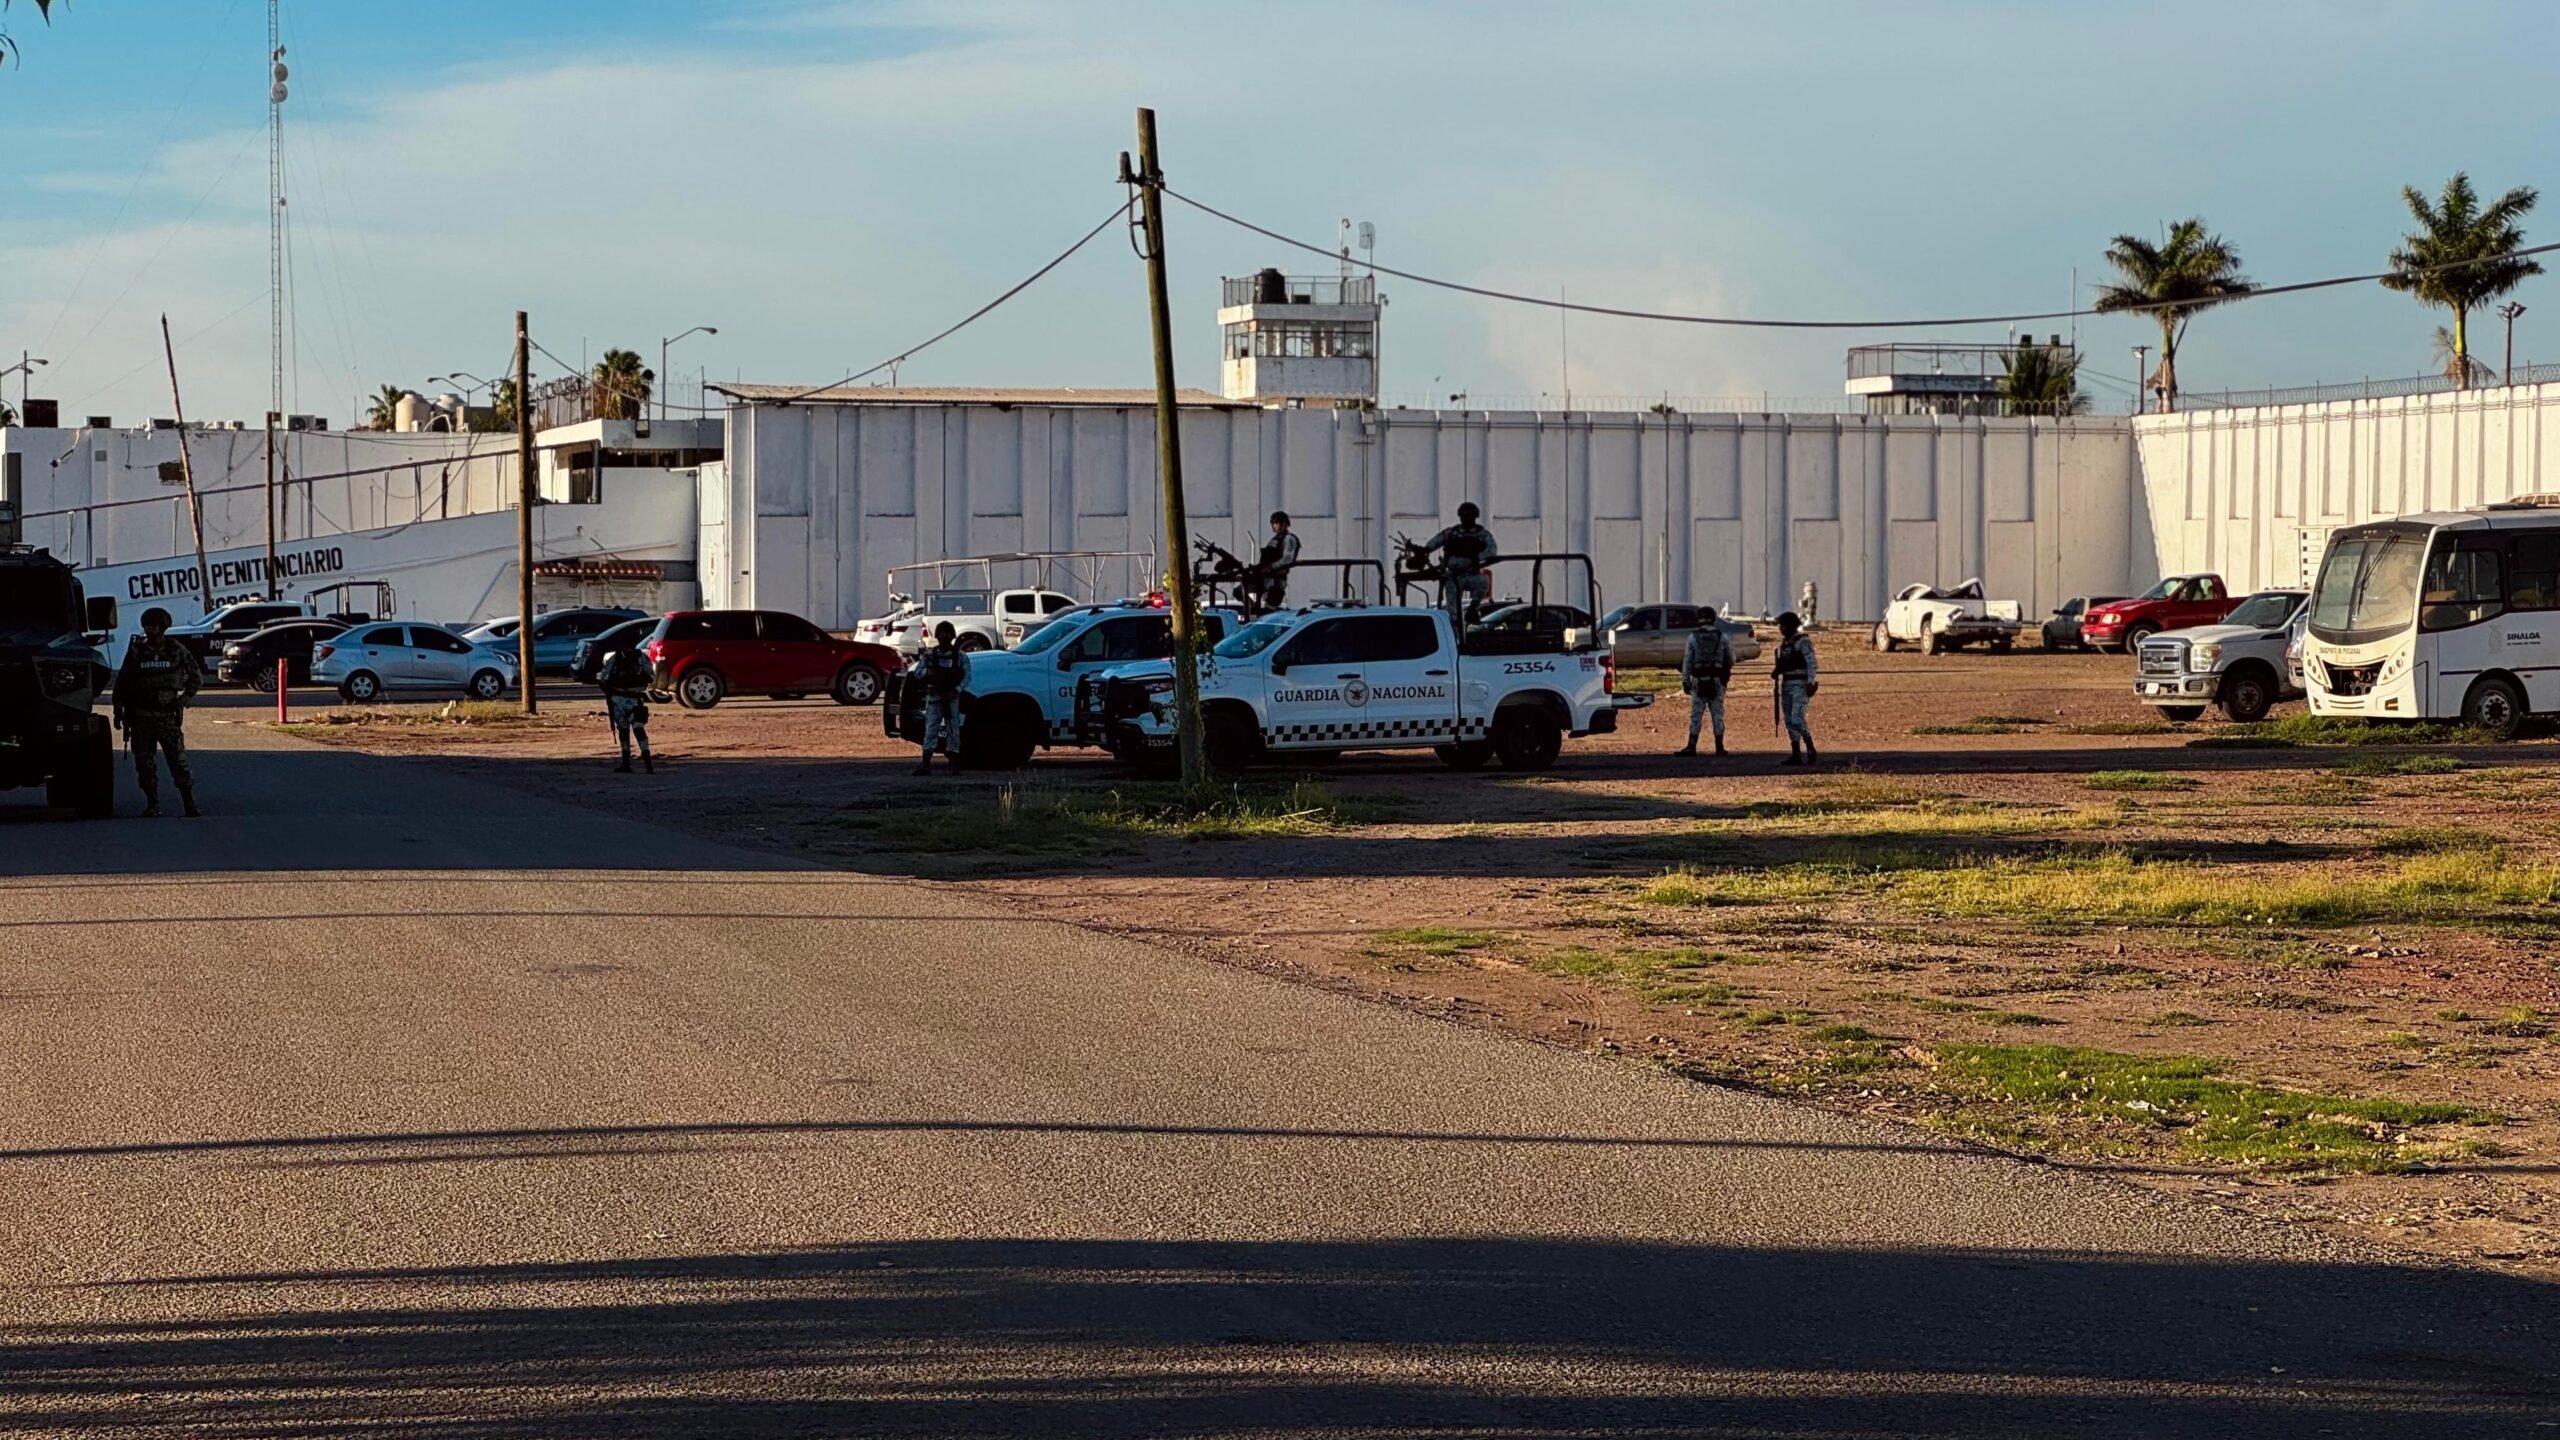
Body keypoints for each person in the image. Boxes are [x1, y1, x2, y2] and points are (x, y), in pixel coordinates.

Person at [113, 606, 202, 817]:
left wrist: (182, 700)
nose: (149, 630)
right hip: (140, 716)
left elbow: (195, 678)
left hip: (167, 716)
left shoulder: (176, 650)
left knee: (178, 761)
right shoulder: (137, 651)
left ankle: (189, 801)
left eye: (153, 626)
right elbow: (122, 684)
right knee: (144, 764)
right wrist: (118, 711)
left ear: (163, 627)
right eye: (147, 626)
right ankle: (152, 803)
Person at [1420, 502, 1499, 624]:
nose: (1466, 519)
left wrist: (1476, 558)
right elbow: (1433, 544)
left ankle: (1473, 609)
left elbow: (1492, 550)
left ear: (1474, 517)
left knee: (1483, 581)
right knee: (1453, 608)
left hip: (1471, 573)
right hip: (1453, 575)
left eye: (1469, 516)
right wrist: (1423, 550)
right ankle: (1455, 628)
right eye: (1463, 516)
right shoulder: (1451, 533)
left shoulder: (1481, 534)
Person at [913, 620, 969, 775]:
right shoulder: (930, 656)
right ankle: (926, 763)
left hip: (951, 698)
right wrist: (929, 675)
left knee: (953, 730)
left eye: (947, 633)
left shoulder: (960, 656)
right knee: (931, 729)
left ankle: (953, 763)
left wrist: (955, 690)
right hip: (935, 696)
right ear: (936, 636)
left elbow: (967, 677)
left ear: (953, 636)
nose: (944, 636)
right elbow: (918, 673)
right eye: (941, 633)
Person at [1676, 607, 1734, 758]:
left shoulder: (1693, 637)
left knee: (1696, 714)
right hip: (1716, 680)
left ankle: (1691, 746)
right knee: (1717, 713)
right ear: (1714, 619)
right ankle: (1719, 747)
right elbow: (1731, 658)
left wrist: (1685, 680)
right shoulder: (1722, 637)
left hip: (1698, 681)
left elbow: (1687, 660)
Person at [596, 644, 654, 774]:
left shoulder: (615, 658)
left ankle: (626, 763)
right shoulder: (641, 658)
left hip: (618, 699)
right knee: (639, 729)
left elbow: (604, 677)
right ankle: (647, 762)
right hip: (635, 698)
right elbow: (651, 675)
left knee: (623, 730)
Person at [1771, 610, 1819, 766]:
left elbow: (1811, 663)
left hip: (1800, 684)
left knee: (1797, 718)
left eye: (1783, 625)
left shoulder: (1803, 641)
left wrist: (1811, 682)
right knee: (1789, 720)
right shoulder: (1785, 643)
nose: (1781, 629)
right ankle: (1796, 753)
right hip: (1786, 684)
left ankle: (1810, 747)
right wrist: (1777, 670)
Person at [1256, 510, 1301, 609]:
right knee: (1239, 592)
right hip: (1265, 578)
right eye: (1275, 523)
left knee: (1269, 610)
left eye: (1281, 523)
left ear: (1286, 524)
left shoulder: (1289, 538)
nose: (1278, 525)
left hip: (1277, 580)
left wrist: (1271, 567)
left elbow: (1287, 559)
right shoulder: (1275, 539)